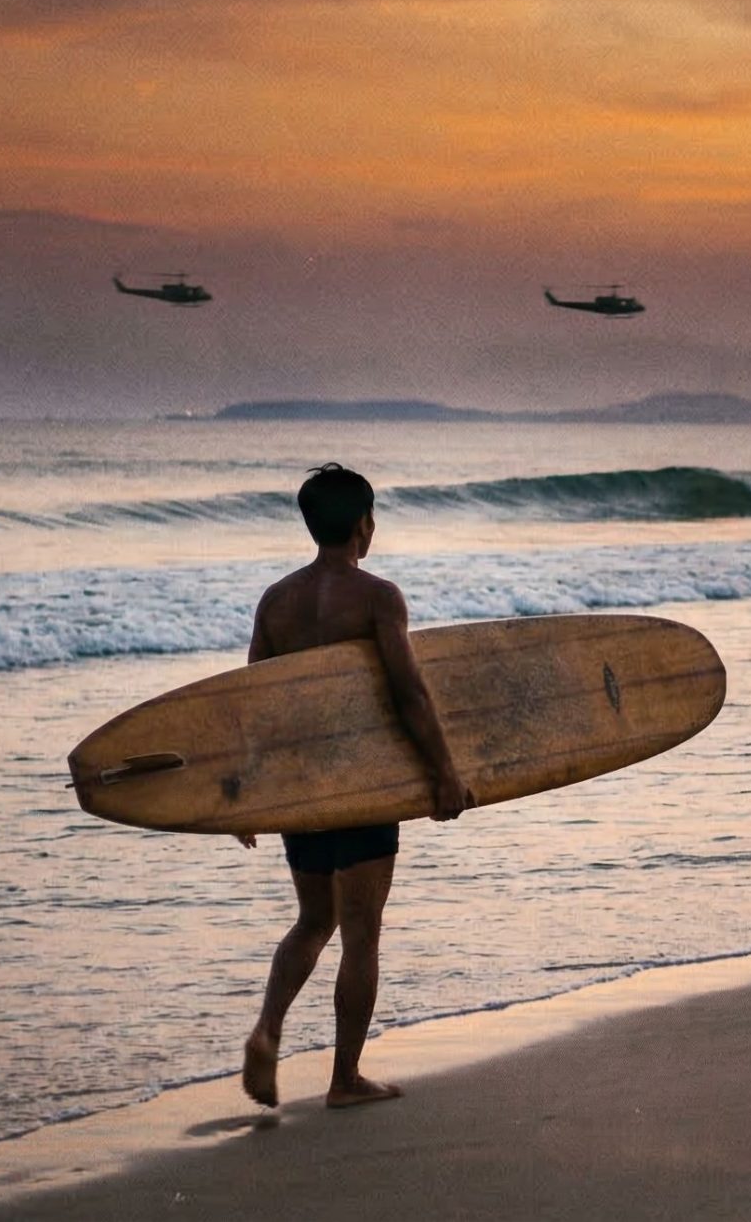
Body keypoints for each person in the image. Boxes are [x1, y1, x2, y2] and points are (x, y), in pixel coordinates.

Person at [237, 463, 474, 1110]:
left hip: (302, 788)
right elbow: (409, 692)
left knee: (314, 919)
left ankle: (267, 1031)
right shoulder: (377, 596)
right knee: (362, 931)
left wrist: (245, 794)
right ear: (364, 524)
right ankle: (344, 1078)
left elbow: (254, 701)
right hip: (362, 782)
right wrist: (444, 770)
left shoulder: (276, 601)